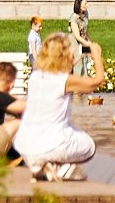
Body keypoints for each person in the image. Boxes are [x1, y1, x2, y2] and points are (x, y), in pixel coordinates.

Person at [13, 34, 106, 181]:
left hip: (24, 145)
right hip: (51, 144)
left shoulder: (35, 77)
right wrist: (96, 56)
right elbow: (98, 81)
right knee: (89, 146)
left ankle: (42, 167)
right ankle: (62, 169)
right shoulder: (64, 80)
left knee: (68, 127)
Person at [68, 0, 98, 77]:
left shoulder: (85, 14)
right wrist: (88, 44)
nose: (86, 5)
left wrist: (89, 41)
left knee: (86, 59)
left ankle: (86, 80)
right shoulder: (73, 19)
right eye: (85, 4)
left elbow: (85, 31)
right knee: (79, 62)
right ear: (79, 5)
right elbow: (77, 36)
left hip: (83, 40)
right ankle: (78, 84)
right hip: (75, 42)